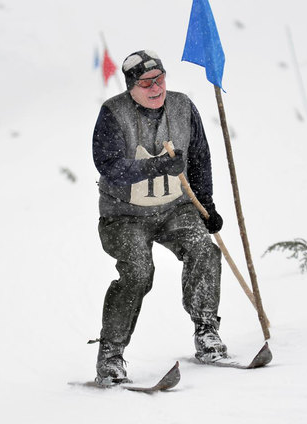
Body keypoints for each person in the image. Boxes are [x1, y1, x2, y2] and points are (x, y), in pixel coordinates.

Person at [92, 50, 226, 385]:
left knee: (204, 250)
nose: (156, 88)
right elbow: (108, 165)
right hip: (124, 215)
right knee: (138, 273)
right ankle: (110, 357)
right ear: (131, 86)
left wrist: (205, 206)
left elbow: (199, 158)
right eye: (147, 83)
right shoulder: (113, 113)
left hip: (175, 209)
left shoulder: (182, 107)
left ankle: (207, 330)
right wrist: (154, 166)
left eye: (161, 79)